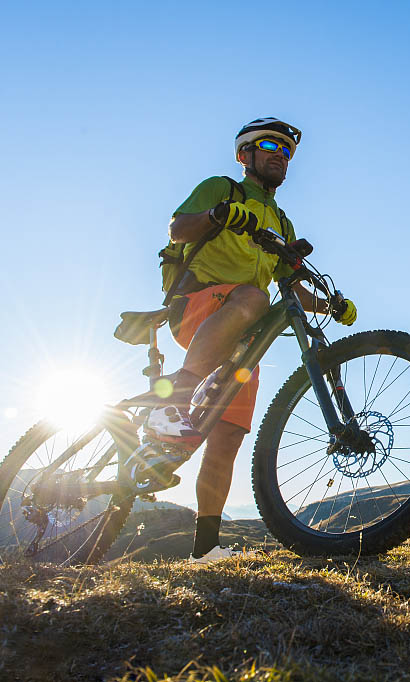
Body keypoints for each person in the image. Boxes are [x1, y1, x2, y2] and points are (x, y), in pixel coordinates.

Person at [143, 117, 357, 563]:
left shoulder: (280, 219)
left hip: (243, 335)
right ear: (245, 155)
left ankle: (204, 551)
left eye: (287, 150)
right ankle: (171, 404)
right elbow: (178, 228)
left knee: (227, 437)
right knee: (252, 297)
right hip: (199, 305)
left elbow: (291, 284)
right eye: (268, 145)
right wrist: (219, 214)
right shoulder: (223, 187)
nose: (280, 154)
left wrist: (329, 304)